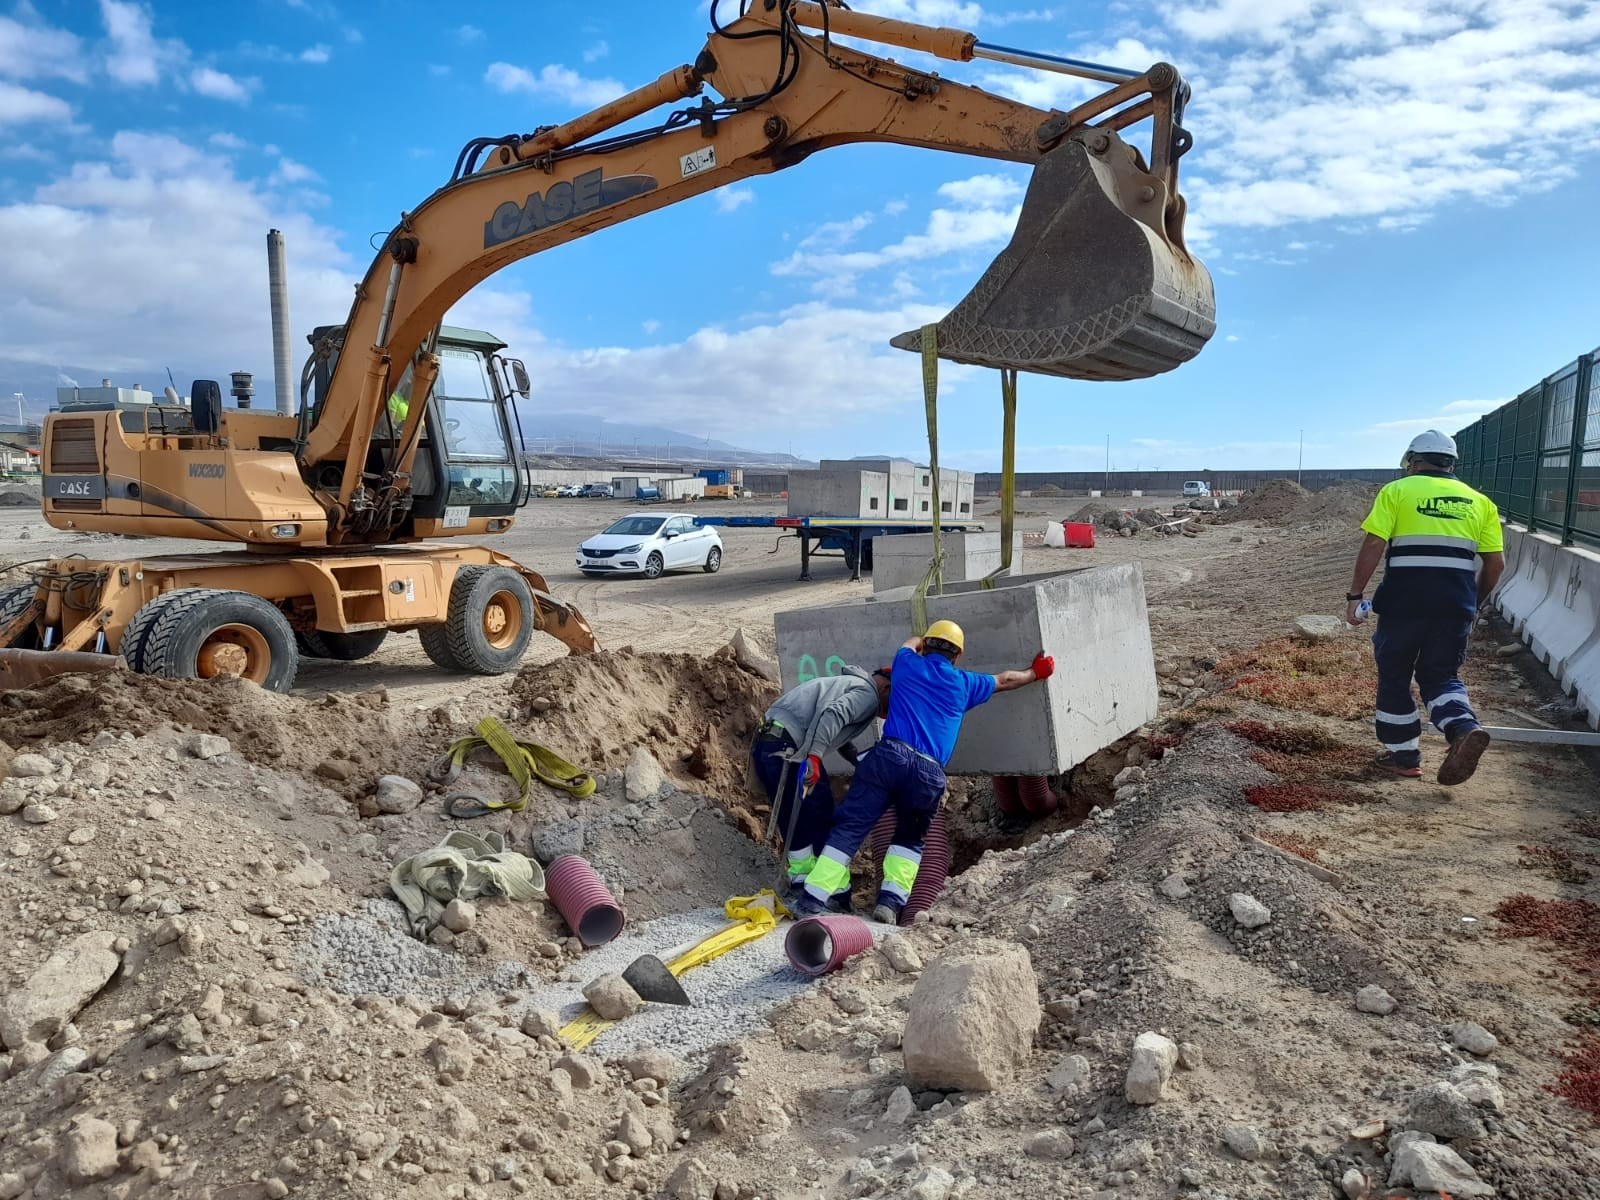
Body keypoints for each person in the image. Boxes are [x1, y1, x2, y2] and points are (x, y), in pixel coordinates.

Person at [794, 620, 1053, 922]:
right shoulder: (965, 683)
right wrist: (1037, 673)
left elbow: (908, 643)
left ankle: (812, 901)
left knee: (850, 827)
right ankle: (889, 905)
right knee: (910, 838)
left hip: (890, 757)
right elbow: (1006, 680)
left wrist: (920, 638)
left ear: (926, 647)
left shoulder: (906, 664)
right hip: (929, 773)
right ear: (957, 656)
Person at [1345, 430, 1504, 785]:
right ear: (1451, 463)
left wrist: (1355, 596)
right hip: (1455, 606)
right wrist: (1473, 606)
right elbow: (1495, 564)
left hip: (1403, 604)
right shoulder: (1480, 502)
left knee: (1395, 676)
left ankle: (1404, 758)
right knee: (1441, 676)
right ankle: (1463, 729)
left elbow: (1374, 543)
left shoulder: (1397, 491)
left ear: (1413, 461)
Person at [750, 666, 892, 887]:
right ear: (886, 687)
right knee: (821, 810)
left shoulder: (846, 684)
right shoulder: (869, 694)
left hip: (769, 742)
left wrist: (855, 758)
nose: (887, 712)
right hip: (788, 747)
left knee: (793, 815)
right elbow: (833, 714)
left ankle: (801, 880)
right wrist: (815, 758)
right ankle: (830, 889)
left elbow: (836, 723)